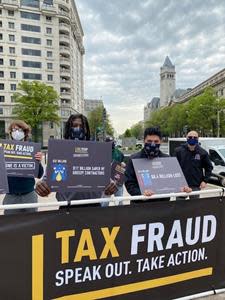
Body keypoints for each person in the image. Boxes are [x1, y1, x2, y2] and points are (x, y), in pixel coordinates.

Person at [36, 114, 117, 207]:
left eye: (81, 126)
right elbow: (48, 180)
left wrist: (110, 185)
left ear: (86, 129)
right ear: (68, 128)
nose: (78, 129)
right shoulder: (59, 151)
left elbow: (104, 177)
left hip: (93, 207)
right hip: (67, 208)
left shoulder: (96, 151)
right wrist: (42, 186)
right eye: (74, 126)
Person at [125, 127, 191, 203]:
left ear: (161, 141)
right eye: (149, 141)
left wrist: (183, 191)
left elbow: (176, 182)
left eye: (156, 141)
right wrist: (141, 193)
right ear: (144, 141)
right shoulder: (134, 159)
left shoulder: (167, 159)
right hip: (140, 206)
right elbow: (129, 183)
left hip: (162, 206)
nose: (153, 144)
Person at [3, 120, 44, 214]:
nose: (16, 132)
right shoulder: (5, 150)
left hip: (29, 194)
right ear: (10, 133)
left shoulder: (32, 149)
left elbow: (39, 174)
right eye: (14, 130)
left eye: (19, 129)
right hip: (11, 196)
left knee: (32, 224)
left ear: (25, 132)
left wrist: (38, 161)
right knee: (10, 225)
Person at [175, 130, 213, 196]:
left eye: (195, 137)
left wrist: (205, 181)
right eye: (190, 137)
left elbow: (209, 167)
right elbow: (173, 167)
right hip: (181, 186)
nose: (192, 139)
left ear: (198, 139)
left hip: (195, 185)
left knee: (194, 205)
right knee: (180, 205)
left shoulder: (203, 152)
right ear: (186, 138)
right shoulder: (178, 151)